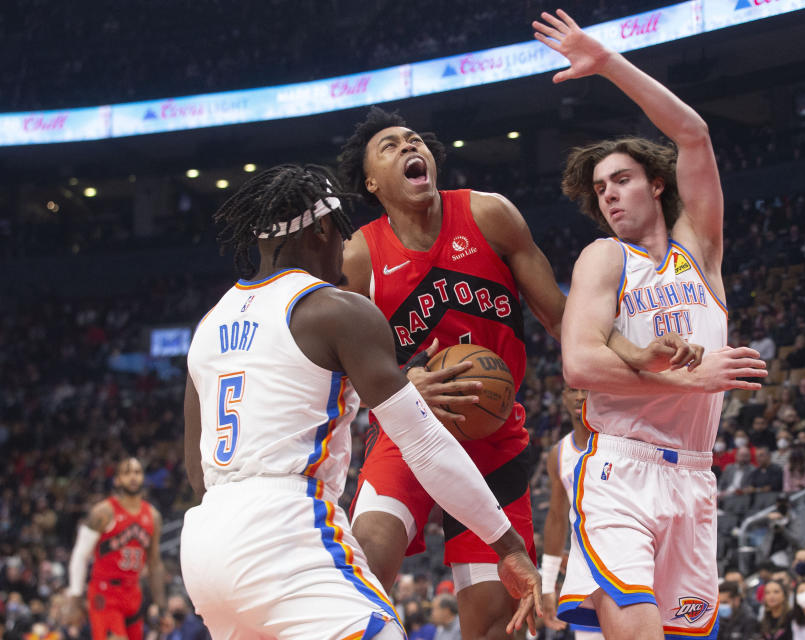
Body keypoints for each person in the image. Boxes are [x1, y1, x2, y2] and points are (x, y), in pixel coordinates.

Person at [178, 164, 541, 640]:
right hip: (282, 529)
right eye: (342, 233)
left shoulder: (208, 324)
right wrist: (509, 545)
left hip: (206, 547)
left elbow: (195, 470)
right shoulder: (336, 309)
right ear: (324, 228)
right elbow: (426, 446)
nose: (346, 250)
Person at [536, 9, 767, 639]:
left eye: (622, 180)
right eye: (600, 187)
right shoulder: (603, 259)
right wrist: (694, 379)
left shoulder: (701, 251)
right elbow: (581, 365)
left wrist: (606, 62)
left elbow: (693, 134)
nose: (609, 194)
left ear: (656, 184)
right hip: (619, 470)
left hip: (693, 474)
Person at [336, 104, 572, 639]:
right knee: (364, 564)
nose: (409, 147)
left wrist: (603, 364)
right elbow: (331, 365)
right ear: (371, 181)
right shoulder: (359, 257)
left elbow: (559, 318)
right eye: (390, 146)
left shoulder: (489, 214)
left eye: (414, 140)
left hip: (493, 437)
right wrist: (394, 385)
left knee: (495, 622)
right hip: (407, 429)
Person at [66, 457, 166, 640]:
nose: (133, 477)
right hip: (105, 593)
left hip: (134, 593)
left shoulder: (153, 516)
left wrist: (161, 604)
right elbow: (80, 555)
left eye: (137, 472)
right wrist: (75, 596)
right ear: (117, 479)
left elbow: (155, 563)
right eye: (127, 473)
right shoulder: (102, 512)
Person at [541, 385, 605, 640]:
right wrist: (547, 585)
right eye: (572, 390)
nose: (579, 396)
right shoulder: (559, 454)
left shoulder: (620, 441)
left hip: (628, 565)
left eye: (588, 389)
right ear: (563, 397)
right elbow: (556, 520)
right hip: (587, 575)